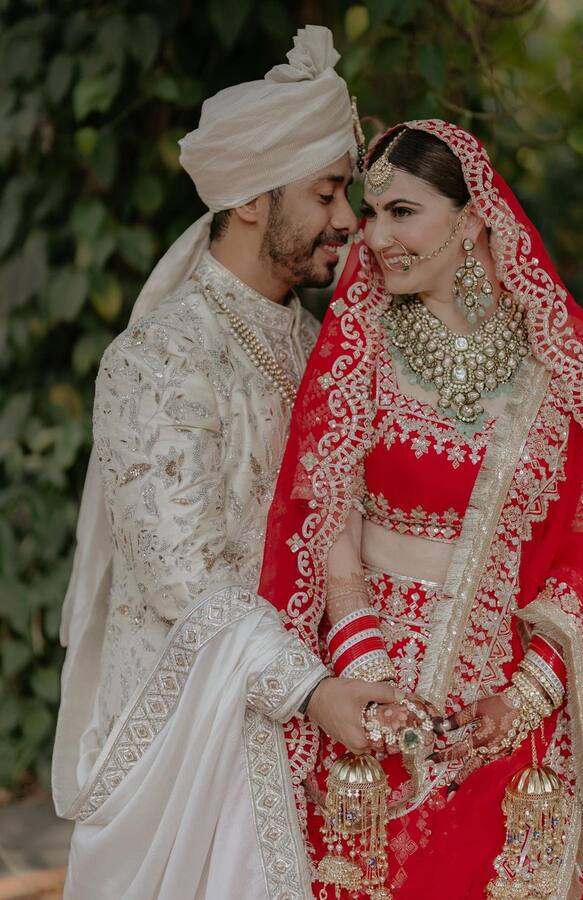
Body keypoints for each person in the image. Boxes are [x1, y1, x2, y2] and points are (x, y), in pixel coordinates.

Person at [259, 120, 583, 898]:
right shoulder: (357, 343)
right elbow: (325, 519)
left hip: (510, 712)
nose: (375, 237)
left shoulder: (562, 361)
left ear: (472, 216)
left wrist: (524, 697)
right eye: (370, 214)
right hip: (372, 690)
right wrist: (368, 666)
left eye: (402, 212)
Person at [52, 26, 399, 900]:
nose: (349, 219)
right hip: (187, 753)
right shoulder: (159, 361)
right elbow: (186, 580)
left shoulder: (320, 345)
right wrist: (313, 689)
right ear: (252, 200)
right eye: (326, 193)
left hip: (311, 732)